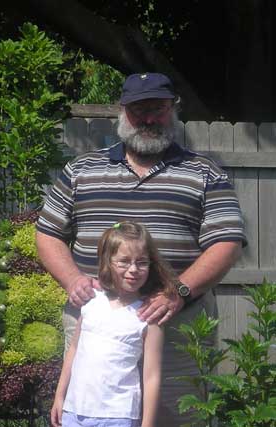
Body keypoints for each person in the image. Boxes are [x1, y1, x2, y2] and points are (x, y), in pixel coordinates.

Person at [36, 72, 247, 424]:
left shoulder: (205, 172)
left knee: (176, 417)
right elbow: (47, 233)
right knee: (89, 413)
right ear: (122, 111)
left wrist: (177, 291)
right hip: (96, 324)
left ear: (173, 109)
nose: (149, 119)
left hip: (176, 326)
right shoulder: (81, 169)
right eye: (139, 110)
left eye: (158, 109)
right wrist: (72, 279)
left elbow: (227, 242)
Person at [51, 222, 173, 427]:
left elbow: (151, 377)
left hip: (119, 416)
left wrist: (147, 424)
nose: (133, 269)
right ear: (108, 262)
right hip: (74, 412)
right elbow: (73, 349)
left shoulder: (148, 315)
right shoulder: (91, 302)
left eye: (142, 262)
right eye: (124, 261)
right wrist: (59, 396)